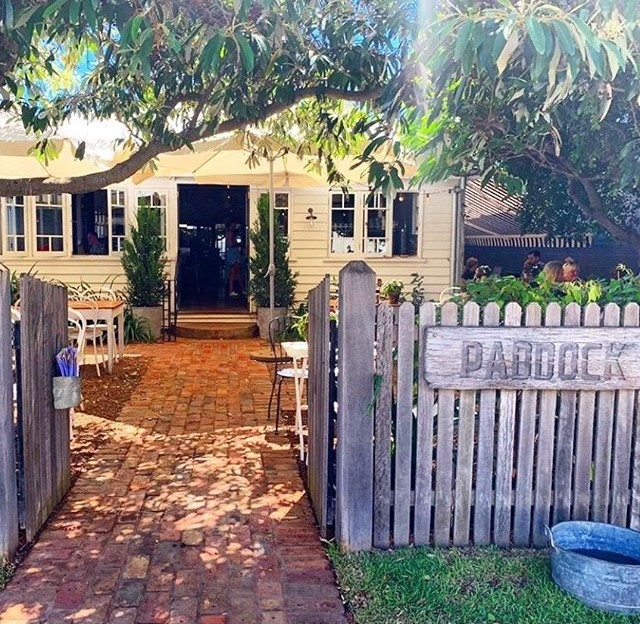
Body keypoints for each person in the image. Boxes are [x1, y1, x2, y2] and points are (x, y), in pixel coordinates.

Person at [225, 222, 243, 296]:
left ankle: (234, 289)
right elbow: (230, 244)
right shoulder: (230, 233)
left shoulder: (229, 233)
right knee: (235, 272)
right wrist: (238, 244)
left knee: (235, 272)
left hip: (233, 252)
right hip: (233, 253)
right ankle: (233, 289)